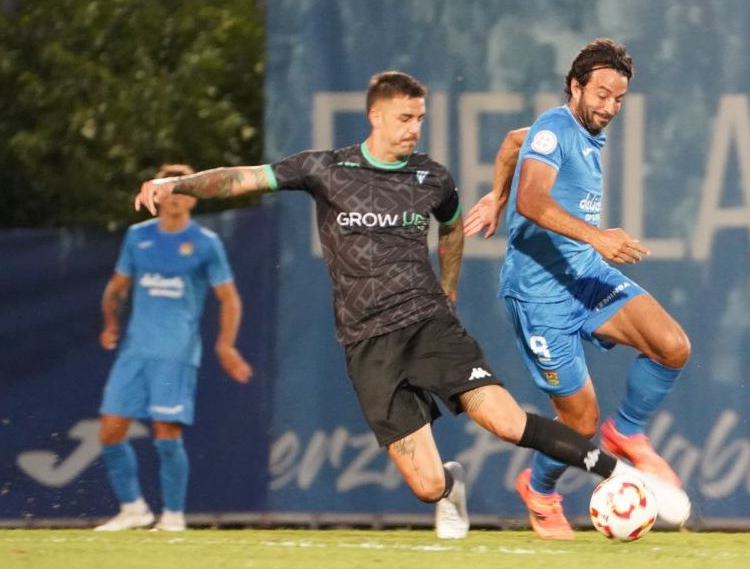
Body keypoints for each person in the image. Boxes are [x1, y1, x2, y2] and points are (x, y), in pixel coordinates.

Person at [134, 71, 690, 539]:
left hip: (428, 323)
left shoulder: (431, 178)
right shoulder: (326, 170)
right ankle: (451, 487)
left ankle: (623, 478)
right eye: (405, 118)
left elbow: (451, 227)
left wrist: (447, 288)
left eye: (420, 118)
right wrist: (176, 186)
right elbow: (244, 179)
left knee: (503, 418)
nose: (414, 129)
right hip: (366, 341)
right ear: (375, 117)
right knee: (425, 485)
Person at [464, 38, 692, 539]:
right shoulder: (554, 127)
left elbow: (508, 143)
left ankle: (626, 432)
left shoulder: (574, 130)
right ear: (575, 86)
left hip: (584, 275)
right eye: (601, 94)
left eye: (619, 98)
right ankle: (540, 490)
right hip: (539, 296)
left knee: (672, 346)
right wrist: (595, 236)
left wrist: (494, 197)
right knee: (579, 423)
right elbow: (534, 200)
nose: (609, 107)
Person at [96, 164, 253, 532]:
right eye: (173, 189)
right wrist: (110, 322)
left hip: (176, 352)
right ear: (159, 193)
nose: (178, 197)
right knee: (109, 433)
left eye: (186, 190)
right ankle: (133, 508)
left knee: (167, 435)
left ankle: (173, 516)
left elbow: (229, 299)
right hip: (135, 351)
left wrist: (225, 345)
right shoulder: (138, 237)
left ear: (194, 199)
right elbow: (117, 287)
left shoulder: (205, 244)